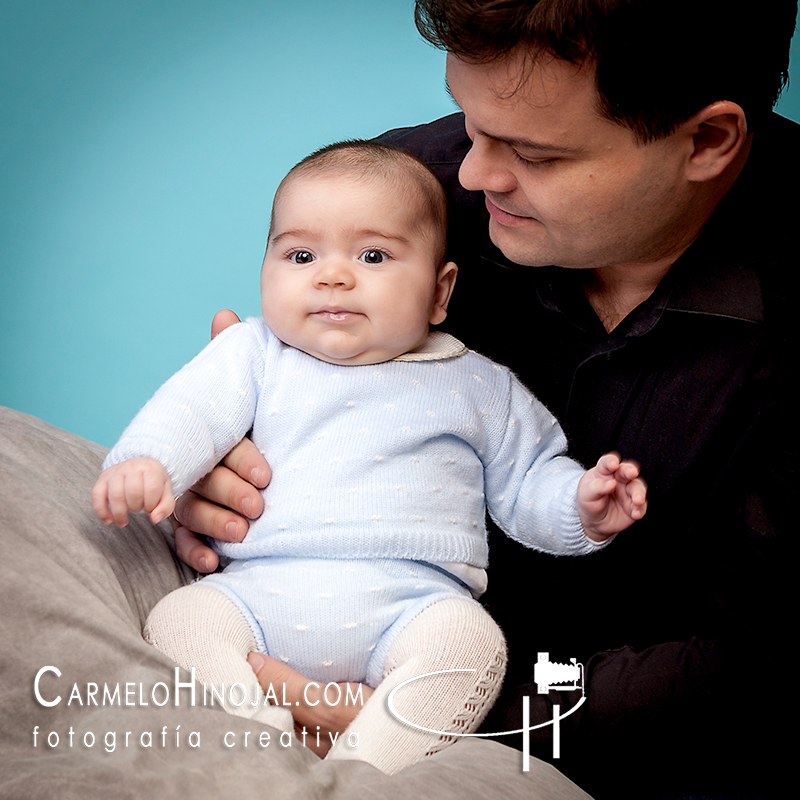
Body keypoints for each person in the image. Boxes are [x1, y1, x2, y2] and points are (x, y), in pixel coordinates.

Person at [167, 2, 796, 797]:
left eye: (533, 152)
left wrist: (443, 712)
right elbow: (264, 403)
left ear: (707, 140)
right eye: (470, 121)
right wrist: (217, 463)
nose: (472, 173)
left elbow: (759, 666)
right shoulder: (405, 204)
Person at [92, 140, 647, 775]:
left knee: (472, 645)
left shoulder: (476, 384)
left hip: (413, 607)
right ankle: (257, 746)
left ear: (440, 294)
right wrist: (148, 462)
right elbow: (190, 412)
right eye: (301, 255)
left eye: (373, 255)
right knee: (181, 621)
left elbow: (529, 481)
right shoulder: (252, 353)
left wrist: (581, 506)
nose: (332, 275)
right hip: (257, 596)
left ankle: (367, 771)